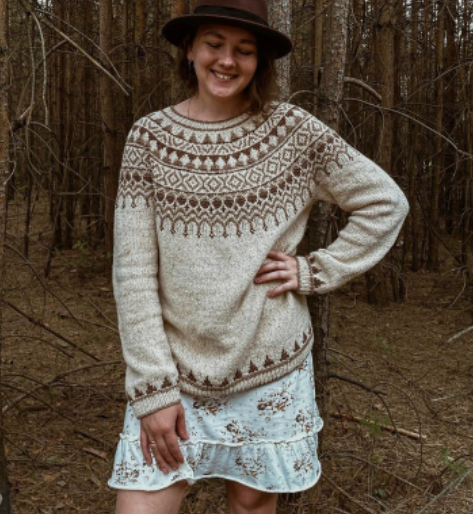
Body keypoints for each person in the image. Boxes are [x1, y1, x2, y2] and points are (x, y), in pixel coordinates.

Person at [107, 1, 409, 513]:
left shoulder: (292, 131)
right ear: (189, 49)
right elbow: (133, 273)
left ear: (259, 61)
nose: (227, 60)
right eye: (214, 44)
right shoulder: (149, 138)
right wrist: (153, 391)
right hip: (174, 371)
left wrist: (314, 270)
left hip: (270, 365)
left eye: (244, 50)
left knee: (251, 505)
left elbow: (385, 202)